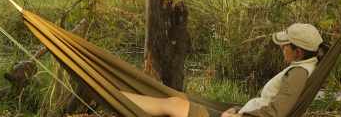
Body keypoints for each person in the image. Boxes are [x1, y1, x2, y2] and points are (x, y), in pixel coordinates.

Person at [122, 23, 327, 117]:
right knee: (178, 100)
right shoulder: (306, 65)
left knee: (174, 105)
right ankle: (117, 94)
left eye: (286, 45)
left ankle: (114, 95)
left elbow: (277, 113)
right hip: (241, 112)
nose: (282, 48)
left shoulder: (298, 74)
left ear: (298, 52)